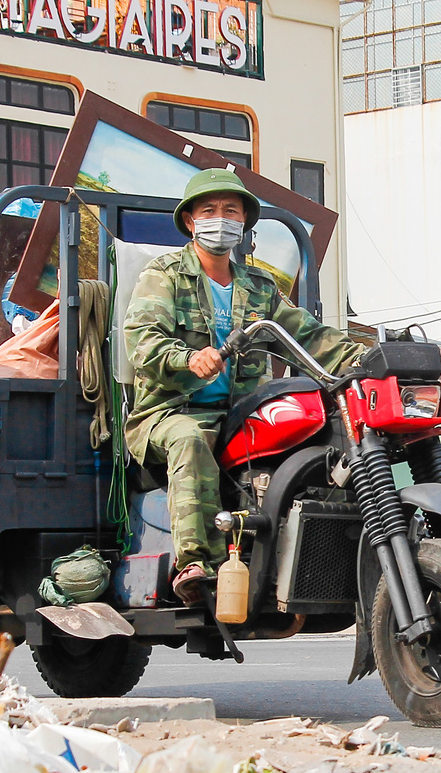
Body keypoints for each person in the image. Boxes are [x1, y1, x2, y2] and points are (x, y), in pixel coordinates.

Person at [122, 167, 359, 604]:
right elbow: (143, 342)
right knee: (190, 440)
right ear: (191, 221)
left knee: (312, 439)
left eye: (231, 210)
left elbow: (307, 335)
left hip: (240, 414)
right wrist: (188, 358)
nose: (220, 218)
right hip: (169, 413)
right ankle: (195, 562)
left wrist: (362, 360)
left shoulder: (259, 286)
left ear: (244, 222)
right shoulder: (165, 275)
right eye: (209, 210)